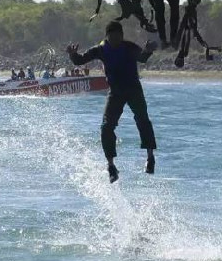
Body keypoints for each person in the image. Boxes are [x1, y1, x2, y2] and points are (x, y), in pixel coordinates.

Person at [67, 21, 157, 183]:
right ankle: (111, 166)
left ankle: (150, 157)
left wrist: (149, 51)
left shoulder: (128, 47)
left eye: (119, 37)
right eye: (113, 37)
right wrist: (72, 54)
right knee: (106, 126)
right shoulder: (100, 49)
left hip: (133, 89)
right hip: (116, 92)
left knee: (143, 120)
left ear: (122, 36)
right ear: (107, 36)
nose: (116, 41)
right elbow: (80, 61)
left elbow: (142, 58)